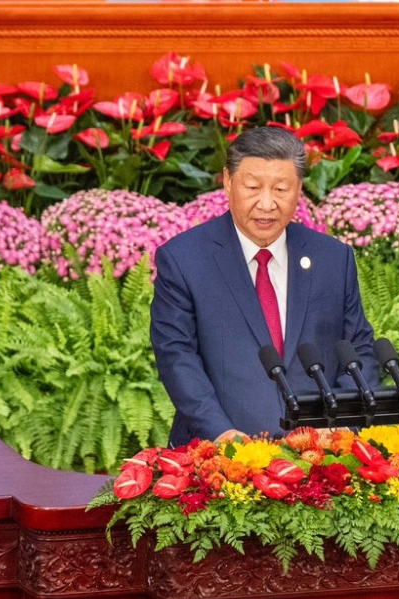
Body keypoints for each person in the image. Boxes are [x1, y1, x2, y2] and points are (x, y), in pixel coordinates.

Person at [150, 126, 379, 447]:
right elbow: (177, 358)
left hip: (319, 459)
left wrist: (338, 423)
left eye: (282, 189)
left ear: (299, 188)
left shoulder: (332, 258)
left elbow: (360, 350)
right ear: (228, 182)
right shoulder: (184, 260)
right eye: (254, 187)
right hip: (217, 459)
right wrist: (221, 434)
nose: (267, 203)